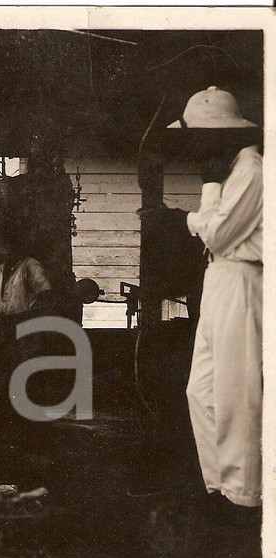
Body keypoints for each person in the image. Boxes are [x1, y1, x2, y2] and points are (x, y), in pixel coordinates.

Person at [163, 86, 262, 513]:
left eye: (198, 135)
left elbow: (219, 235)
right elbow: (215, 233)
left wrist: (192, 209)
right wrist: (202, 210)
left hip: (242, 279)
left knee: (236, 391)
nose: (193, 146)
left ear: (222, 133)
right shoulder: (231, 171)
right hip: (220, 277)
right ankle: (219, 485)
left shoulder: (251, 170)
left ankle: (243, 496)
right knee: (201, 391)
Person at [0, 238, 55, 467]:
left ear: (18, 246)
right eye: (3, 246)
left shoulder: (30, 266)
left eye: (9, 245)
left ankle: (28, 445)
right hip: (5, 332)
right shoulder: (1, 270)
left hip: (27, 332)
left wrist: (23, 319)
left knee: (24, 385)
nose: (4, 249)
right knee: (3, 387)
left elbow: (47, 297)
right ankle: (6, 442)